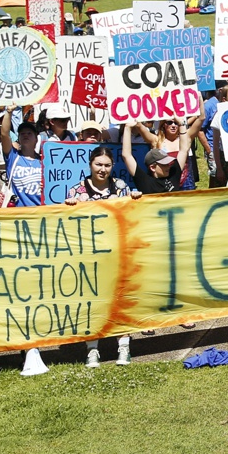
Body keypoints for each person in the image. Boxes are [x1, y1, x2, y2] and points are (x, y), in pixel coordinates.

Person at [69, 148, 140, 367]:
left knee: (121, 301)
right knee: (92, 303)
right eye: (98, 164)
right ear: (90, 164)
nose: (103, 169)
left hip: (117, 256)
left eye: (107, 165)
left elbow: (131, 216)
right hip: (89, 258)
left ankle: (124, 346)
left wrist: (135, 200)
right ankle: (92, 349)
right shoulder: (76, 191)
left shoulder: (121, 188)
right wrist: (68, 209)